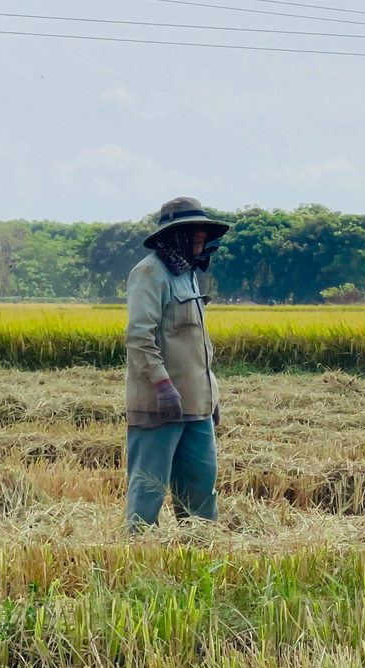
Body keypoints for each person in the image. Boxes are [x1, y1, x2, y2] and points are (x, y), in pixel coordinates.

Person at [124, 197, 229, 531]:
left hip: (196, 403)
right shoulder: (149, 273)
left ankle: (199, 552)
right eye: (195, 235)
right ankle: (138, 553)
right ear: (176, 236)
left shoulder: (188, 275)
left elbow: (197, 341)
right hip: (160, 404)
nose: (201, 242)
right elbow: (140, 337)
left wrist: (211, 394)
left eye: (202, 236)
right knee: (149, 488)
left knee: (201, 486)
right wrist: (163, 386)